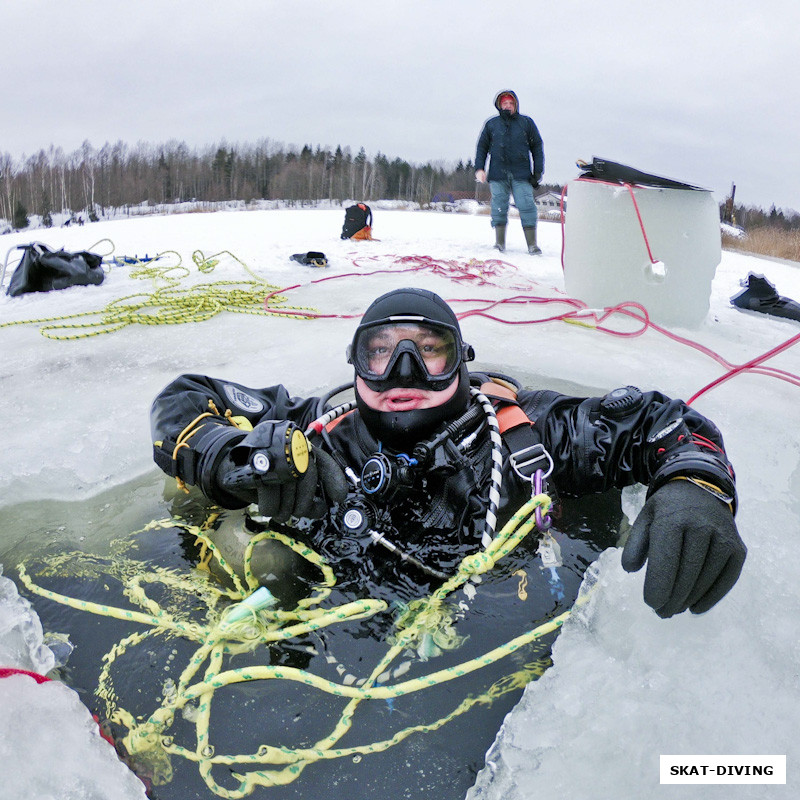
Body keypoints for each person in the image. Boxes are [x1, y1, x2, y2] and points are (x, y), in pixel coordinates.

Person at [151, 287, 746, 619]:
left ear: (461, 358)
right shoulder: (318, 429)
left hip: (497, 609)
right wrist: (232, 459)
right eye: (380, 352)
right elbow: (184, 399)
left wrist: (697, 487)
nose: (402, 370)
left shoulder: (521, 433)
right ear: (354, 363)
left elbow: (657, 424)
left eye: (429, 350)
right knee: (246, 551)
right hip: (339, 616)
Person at [475, 90, 545, 255]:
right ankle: (499, 243)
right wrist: (479, 168)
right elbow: (482, 147)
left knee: (526, 205)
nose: (508, 106)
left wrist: (538, 171)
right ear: (500, 105)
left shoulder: (526, 123)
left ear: (516, 105)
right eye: (504, 103)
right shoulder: (492, 124)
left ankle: (532, 245)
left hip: (521, 174)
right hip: (498, 174)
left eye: (511, 103)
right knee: (499, 206)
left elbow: (537, 147)